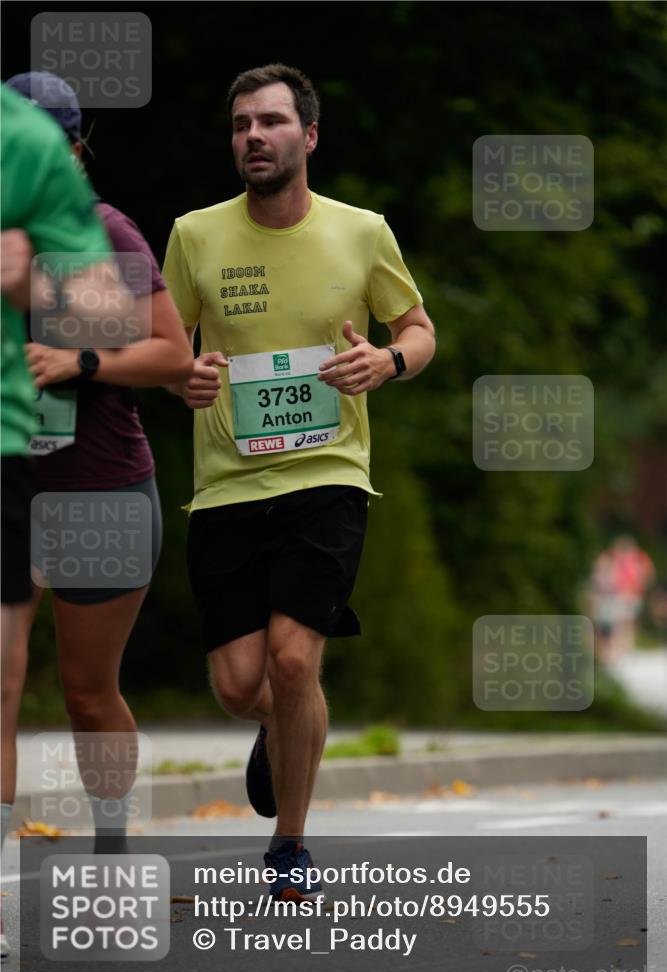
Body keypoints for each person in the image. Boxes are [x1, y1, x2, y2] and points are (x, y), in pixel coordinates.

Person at [163, 64, 435, 902]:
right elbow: (164, 346)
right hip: (226, 486)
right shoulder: (193, 236)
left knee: (290, 660)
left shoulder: (361, 232)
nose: (254, 135)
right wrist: (183, 379)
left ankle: (288, 847)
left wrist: (385, 362)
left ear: (307, 137)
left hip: (328, 473)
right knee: (243, 684)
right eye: (242, 123)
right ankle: (282, 730)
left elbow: (419, 329)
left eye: (272, 121)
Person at [0, 72, 193, 959]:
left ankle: (114, 859)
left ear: (74, 148)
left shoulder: (108, 234)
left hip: (99, 486)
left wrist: (77, 361)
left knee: (86, 693)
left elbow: (167, 355)